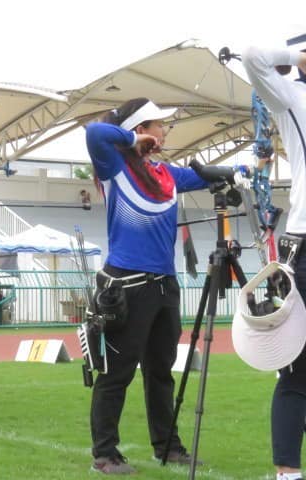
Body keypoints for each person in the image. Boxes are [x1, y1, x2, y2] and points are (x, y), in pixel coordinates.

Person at [84, 98, 214, 474]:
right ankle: (104, 453)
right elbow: (95, 131)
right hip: (128, 285)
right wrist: (131, 140)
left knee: (161, 371)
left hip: (164, 286)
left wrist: (246, 168)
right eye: (160, 125)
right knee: (117, 373)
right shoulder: (114, 165)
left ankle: (168, 447)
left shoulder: (167, 174)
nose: (166, 132)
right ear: (143, 129)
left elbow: (205, 175)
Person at [242, 36, 306, 480]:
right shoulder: (293, 96)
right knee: (298, 370)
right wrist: (299, 59)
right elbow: (253, 57)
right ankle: (287, 474)